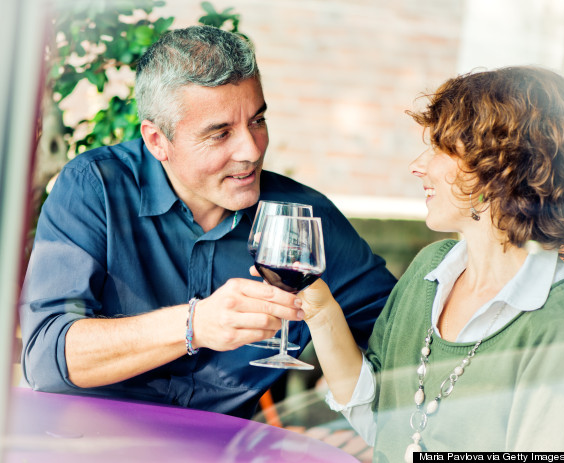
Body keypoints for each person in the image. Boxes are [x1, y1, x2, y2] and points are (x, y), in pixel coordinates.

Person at [19, 25, 396, 419]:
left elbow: (397, 339)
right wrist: (194, 324)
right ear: (156, 140)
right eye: (220, 134)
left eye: (257, 120)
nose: (251, 150)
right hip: (88, 443)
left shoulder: (303, 217)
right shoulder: (96, 187)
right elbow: (46, 359)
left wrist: (337, 409)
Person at [293, 66, 564, 460]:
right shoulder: (430, 269)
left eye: (441, 148)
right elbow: (379, 421)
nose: (417, 165)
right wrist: (320, 313)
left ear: (496, 168)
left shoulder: (557, 319)